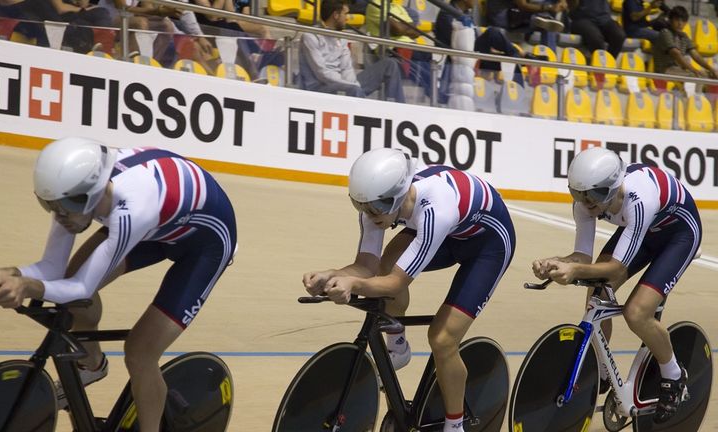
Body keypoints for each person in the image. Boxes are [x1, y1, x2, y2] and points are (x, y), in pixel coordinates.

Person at [0, 137, 237, 432]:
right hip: (161, 226)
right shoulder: (73, 196)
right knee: (66, 289)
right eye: (50, 205)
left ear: (93, 194)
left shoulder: (132, 208)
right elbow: (52, 268)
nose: (60, 216)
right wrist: (9, 272)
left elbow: (83, 287)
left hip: (205, 243)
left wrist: (26, 287)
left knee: (139, 352)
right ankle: (92, 364)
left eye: (66, 207)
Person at [303, 148, 516, 432]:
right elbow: (366, 264)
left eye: (376, 207)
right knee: (385, 262)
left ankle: (455, 427)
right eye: (360, 205)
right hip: (453, 233)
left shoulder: (435, 208)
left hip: (488, 244)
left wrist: (353, 284)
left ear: (397, 196)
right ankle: (398, 346)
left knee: (442, 339)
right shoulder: (378, 204)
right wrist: (333, 274)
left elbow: (396, 283)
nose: (368, 214)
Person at [532, 147, 700, 424]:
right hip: (644, 230)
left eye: (593, 196)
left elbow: (617, 269)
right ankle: (601, 370)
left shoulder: (638, 198)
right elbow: (582, 258)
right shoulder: (588, 201)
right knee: (596, 292)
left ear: (612, 187)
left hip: (679, 235)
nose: (586, 204)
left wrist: (574, 270)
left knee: (637, 313)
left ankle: (673, 374)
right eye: (578, 195)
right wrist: (555, 262)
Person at [299, 0, 405, 102]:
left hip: (345, 85)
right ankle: (365, 114)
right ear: (336, 15)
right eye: (345, 14)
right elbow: (322, 73)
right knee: (353, 90)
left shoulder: (342, 37)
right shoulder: (311, 36)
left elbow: (347, 69)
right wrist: (349, 86)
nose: (347, 19)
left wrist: (353, 84)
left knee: (390, 65)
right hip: (320, 88)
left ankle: (399, 111)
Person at [651, 6, 718, 79]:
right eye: (677, 20)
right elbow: (676, 54)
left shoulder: (684, 36)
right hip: (664, 71)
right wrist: (693, 70)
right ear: (670, 20)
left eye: (683, 21)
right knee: (698, 76)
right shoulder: (665, 33)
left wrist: (711, 69)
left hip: (678, 69)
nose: (680, 23)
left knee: (712, 75)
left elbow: (695, 55)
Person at [485, 0, 567, 52]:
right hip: (501, 17)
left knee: (549, 25)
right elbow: (523, 5)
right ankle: (538, 19)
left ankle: (550, 59)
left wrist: (561, 2)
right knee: (545, 22)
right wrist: (549, 7)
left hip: (515, 15)